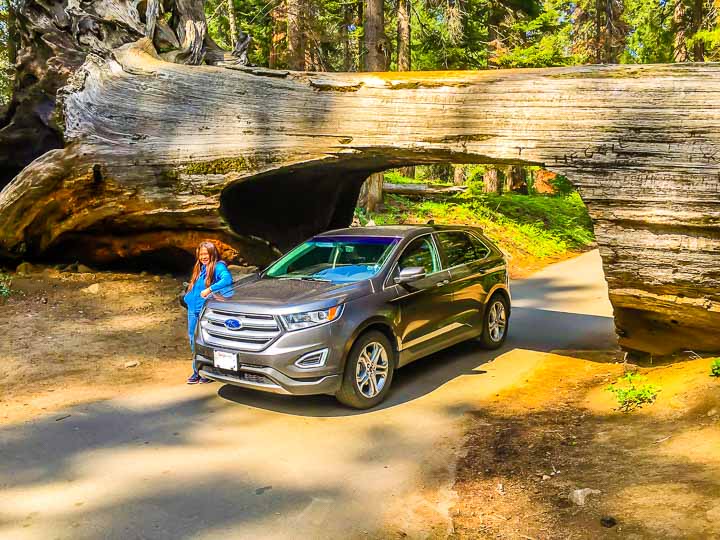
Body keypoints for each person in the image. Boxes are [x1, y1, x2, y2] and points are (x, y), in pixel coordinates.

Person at [184, 241, 233, 384]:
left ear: (212, 253)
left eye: (206, 254)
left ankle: (208, 371)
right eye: (201, 254)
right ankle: (197, 370)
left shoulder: (218, 266)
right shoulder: (199, 267)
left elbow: (227, 279)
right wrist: (188, 298)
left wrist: (209, 289)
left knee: (207, 340)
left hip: (206, 310)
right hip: (193, 309)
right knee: (193, 339)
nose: (203, 257)